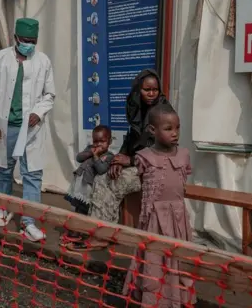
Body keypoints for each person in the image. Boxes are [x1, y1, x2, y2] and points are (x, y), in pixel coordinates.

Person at [82, 69, 172, 250]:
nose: (152, 94)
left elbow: (162, 150)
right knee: (104, 176)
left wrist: (129, 161)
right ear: (139, 89)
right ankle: (99, 231)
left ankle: (103, 235)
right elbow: (132, 136)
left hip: (157, 168)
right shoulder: (136, 104)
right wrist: (118, 159)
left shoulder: (163, 112)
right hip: (139, 161)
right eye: (147, 90)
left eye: (155, 90)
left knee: (105, 182)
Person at [0, 18, 55, 242]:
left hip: (31, 129)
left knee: (32, 174)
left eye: (33, 41)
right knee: (4, 170)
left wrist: (40, 111)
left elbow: (49, 94)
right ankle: (4, 209)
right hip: (7, 127)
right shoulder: (1, 59)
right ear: (15, 38)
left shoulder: (43, 61)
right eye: (25, 41)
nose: (29, 45)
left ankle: (29, 222)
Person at [121, 104, 195, 306]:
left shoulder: (184, 155)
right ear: (152, 130)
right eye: (168, 128)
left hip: (179, 219)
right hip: (154, 219)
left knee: (178, 260)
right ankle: (153, 299)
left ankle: (176, 299)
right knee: (154, 259)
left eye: (177, 128)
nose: (175, 133)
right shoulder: (144, 157)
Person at [62, 125, 114, 245]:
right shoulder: (90, 148)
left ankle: (79, 231)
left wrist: (96, 156)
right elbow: (79, 158)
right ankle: (76, 229)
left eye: (102, 141)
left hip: (89, 187)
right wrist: (91, 152)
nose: (98, 144)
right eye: (95, 141)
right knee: (77, 206)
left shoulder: (109, 156)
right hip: (79, 183)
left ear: (110, 142)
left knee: (85, 208)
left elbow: (101, 169)